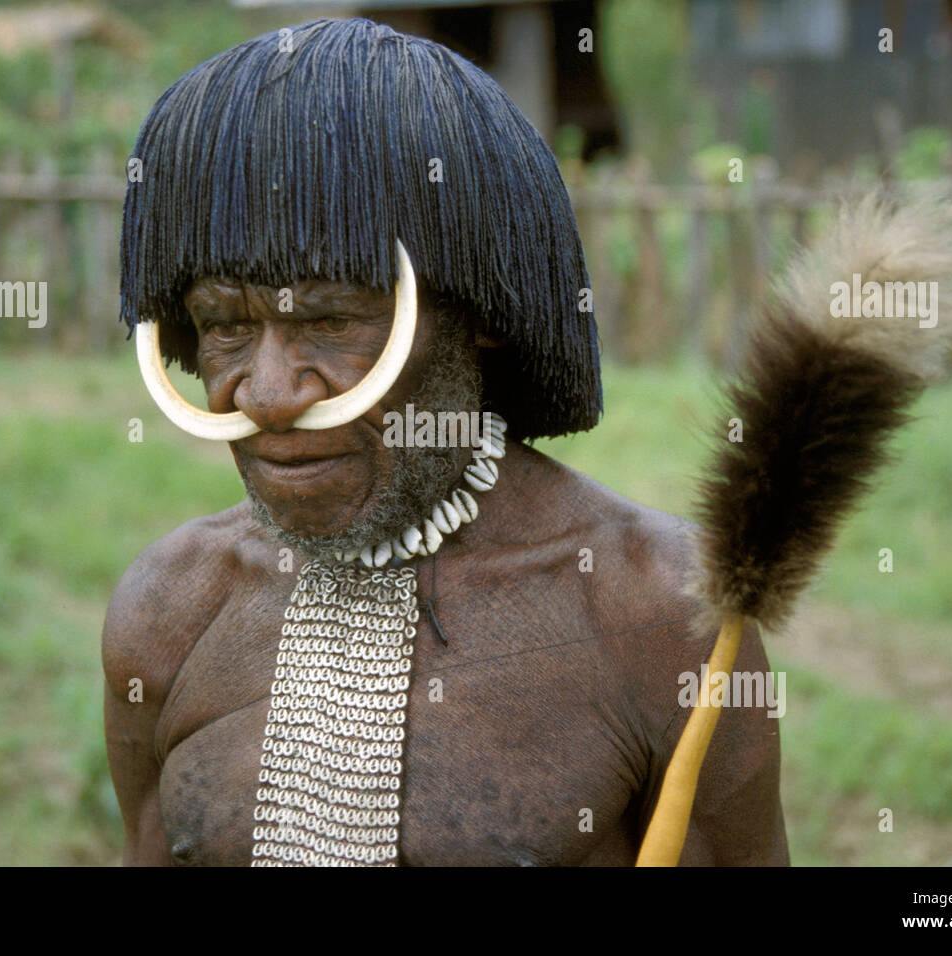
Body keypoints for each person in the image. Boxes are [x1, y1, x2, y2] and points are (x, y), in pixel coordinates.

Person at [103, 17, 788, 866]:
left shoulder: (662, 618)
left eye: (331, 319)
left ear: (478, 316)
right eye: (223, 326)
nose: (272, 395)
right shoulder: (165, 611)